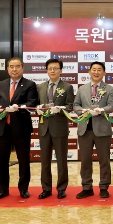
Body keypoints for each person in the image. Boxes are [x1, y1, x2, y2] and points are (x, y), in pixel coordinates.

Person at [0, 57, 38, 199]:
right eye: (11, 66)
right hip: (3, 127)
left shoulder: (30, 84)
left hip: (21, 128)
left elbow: (32, 103)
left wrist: (20, 107)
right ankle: (2, 189)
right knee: (2, 161)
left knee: (23, 160)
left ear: (22, 68)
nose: (14, 69)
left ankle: (23, 189)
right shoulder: (0, 84)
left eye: (17, 66)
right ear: (7, 69)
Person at [73, 61, 113, 199]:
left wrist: (101, 110)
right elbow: (75, 105)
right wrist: (83, 111)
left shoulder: (109, 89)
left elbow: (112, 106)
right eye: (94, 69)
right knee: (85, 160)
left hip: (102, 129)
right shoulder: (82, 89)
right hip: (85, 129)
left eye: (99, 70)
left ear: (104, 73)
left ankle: (104, 187)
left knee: (104, 160)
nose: (96, 72)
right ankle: (87, 187)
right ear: (89, 72)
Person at [35, 58, 75, 200]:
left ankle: (61, 188)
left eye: (55, 68)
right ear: (47, 70)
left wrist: (61, 109)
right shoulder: (40, 87)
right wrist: (38, 109)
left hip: (59, 128)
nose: (52, 71)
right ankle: (46, 188)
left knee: (61, 161)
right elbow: (35, 105)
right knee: (45, 161)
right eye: (50, 68)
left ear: (60, 71)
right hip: (44, 128)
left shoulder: (67, 87)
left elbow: (70, 106)